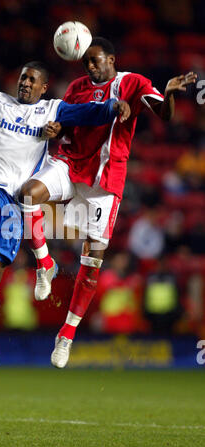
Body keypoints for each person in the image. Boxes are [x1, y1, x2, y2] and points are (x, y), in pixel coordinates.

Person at [0, 61, 131, 388]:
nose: (25, 83)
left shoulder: (52, 111)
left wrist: (112, 106)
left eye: (32, 80)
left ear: (43, 87)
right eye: (22, 77)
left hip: (11, 201)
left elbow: (86, 112)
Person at [18, 37, 197, 368]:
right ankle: (45, 264)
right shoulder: (75, 88)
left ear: (111, 59)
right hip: (71, 164)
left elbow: (164, 114)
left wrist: (169, 93)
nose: (90, 66)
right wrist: (56, 129)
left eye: (95, 60)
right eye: (86, 61)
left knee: (93, 260)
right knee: (28, 194)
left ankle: (67, 334)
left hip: (106, 178)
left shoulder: (131, 82)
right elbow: (65, 125)